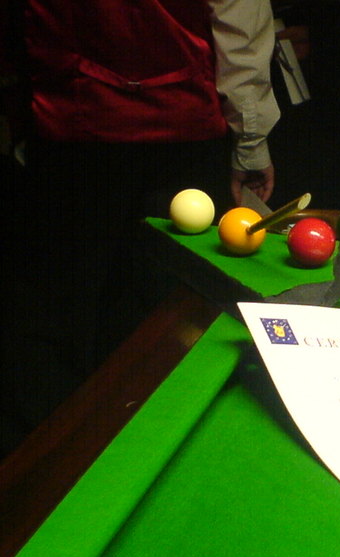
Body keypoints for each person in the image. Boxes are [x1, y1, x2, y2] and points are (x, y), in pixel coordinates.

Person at [0, 0, 280, 457]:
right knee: (163, 312)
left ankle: (51, 467)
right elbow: (239, 21)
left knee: (61, 310)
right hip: (175, 135)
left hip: (72, 130)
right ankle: (142, 451)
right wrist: (251, 142)